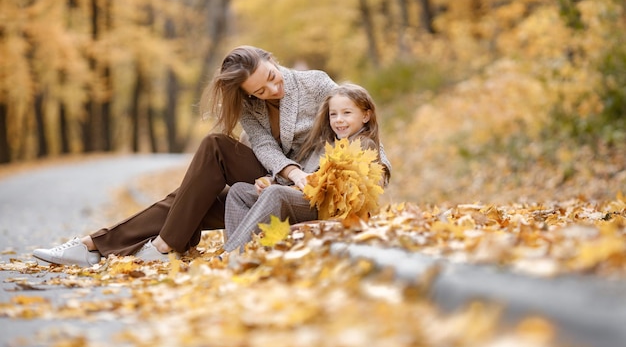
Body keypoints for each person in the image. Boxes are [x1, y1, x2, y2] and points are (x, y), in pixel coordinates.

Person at [32, 46, 390, 267]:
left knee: (193, 197)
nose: (272, 89)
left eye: (271, 77)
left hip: (313, 180)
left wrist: (378, 172)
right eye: (260, 90)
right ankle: (125, 243)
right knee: (215, 148)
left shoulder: (315, 82)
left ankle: (103, 244)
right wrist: (290, 173)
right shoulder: (253, 106)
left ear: (271, 59)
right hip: (280, 173)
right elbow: (264, 147)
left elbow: (360, 120)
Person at [222, 83, 390, 253]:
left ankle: (231, 254)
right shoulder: (324, 143)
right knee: (238, 192)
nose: (339, 119)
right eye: (333, 114)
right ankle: (246, 253)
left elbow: (341, 191)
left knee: (275, 193)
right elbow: (299, 169)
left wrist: (291, 187)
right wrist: (271, 180)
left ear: (366, 116)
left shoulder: (364, 144)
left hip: (325, 206)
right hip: (303, 196)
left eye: (347, 113)